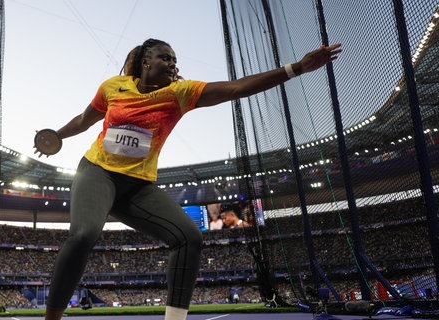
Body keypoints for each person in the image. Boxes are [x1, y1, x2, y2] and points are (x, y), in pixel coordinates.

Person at [39, 38, 342, 320]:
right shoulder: (113, 87)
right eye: (165, 57)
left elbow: (235, 88)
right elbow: (84, 119)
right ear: (145, 62)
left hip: (137, 186)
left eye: (174, 59)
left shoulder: (179, 93)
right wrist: (56, 135)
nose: (173, 64)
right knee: (84, 234)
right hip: (97, 173)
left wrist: (297, 68)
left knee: (188, 237)